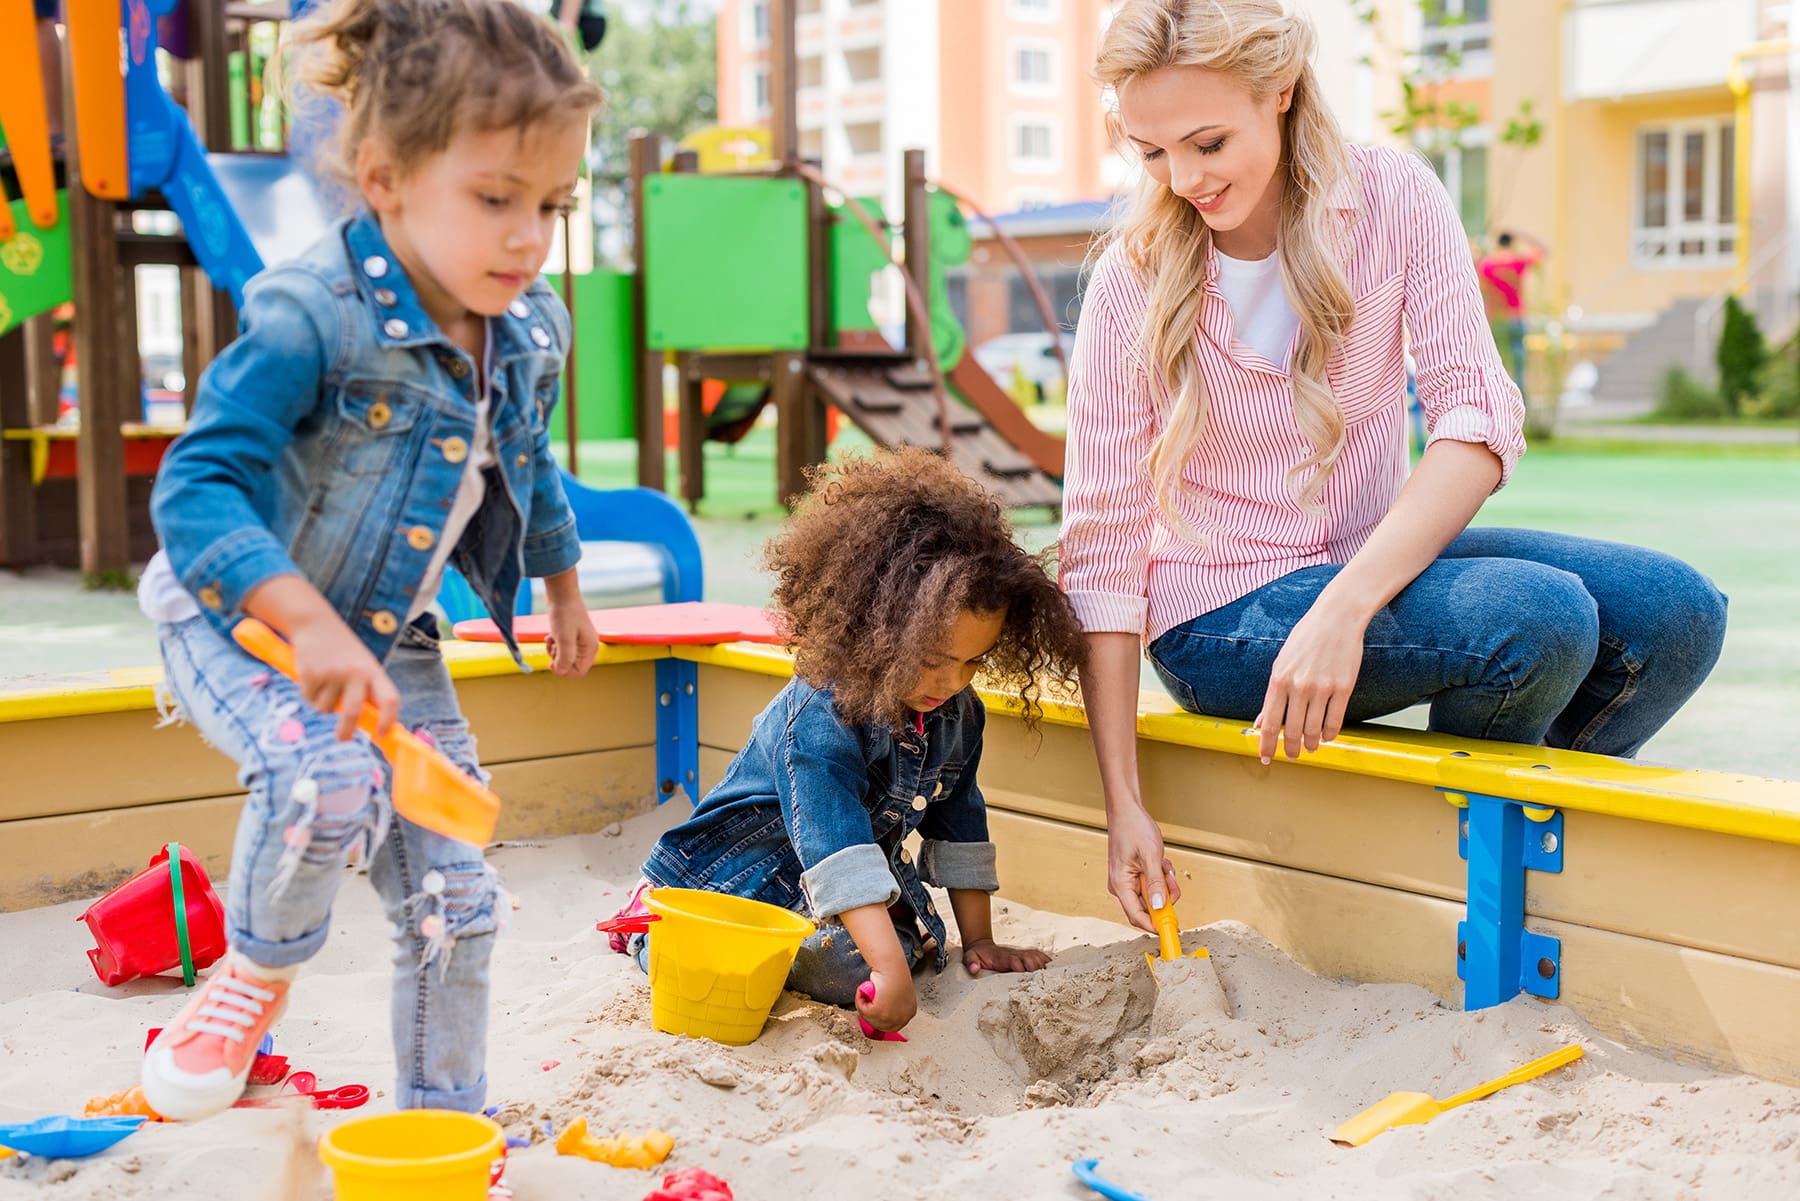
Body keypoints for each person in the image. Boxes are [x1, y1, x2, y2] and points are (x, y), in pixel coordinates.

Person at [1059, 0, 1728, 934]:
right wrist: (1121, 802)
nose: (1184, 179)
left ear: (1281, 93)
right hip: (1218, 616)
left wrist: (1347, 604)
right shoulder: (1132, 280)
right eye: (1154, 153)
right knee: (1536, 619)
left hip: (1355, 573)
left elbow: (1478, 420)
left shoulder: (1392, 197)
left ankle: (1528, 849)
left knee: (1678, 611)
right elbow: (1101, 551)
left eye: (1208, 142)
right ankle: (1455, 888)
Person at [136, 0, 603, 1120]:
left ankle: (446, 1125)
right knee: (323, 776)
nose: (530, 238)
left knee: (460, 899)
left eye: (553, 204)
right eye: (496, 200)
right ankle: (252, 976)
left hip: (392, 643)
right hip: (238, 619)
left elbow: (526, 459)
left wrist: (563, 583)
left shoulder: (529, 325)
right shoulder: (311, 314)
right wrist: (305, 622)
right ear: (386, 179)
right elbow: (192, 490)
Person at [609, 449, 1089, 1036]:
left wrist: (980, 940)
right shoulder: (819, 713)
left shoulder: (958, 713)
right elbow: (836, 845)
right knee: (862, 964)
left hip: (835, 885)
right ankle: (656, 923)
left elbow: (959, 819)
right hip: (735, 879)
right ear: (871, 627)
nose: (951, 683)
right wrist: (886, 966)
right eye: (934, 661)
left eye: (972, 662)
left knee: (911, 945)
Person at [1477, 230, 1545, 397]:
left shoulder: (1487, 265)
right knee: (1519, 364)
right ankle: (1520, 401)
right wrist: (1521, 235)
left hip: (1496, 320)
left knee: (1495, 364)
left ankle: (1499, 399)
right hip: (1516, 317)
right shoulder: (1518, 261)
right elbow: (1543, 251)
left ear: (1497, 244)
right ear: (1511, 243)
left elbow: (1481, 291)